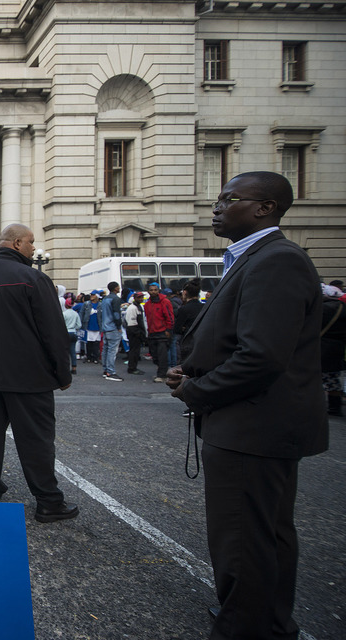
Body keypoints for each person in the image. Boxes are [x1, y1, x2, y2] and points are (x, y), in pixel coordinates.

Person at [166, 171, 328, 640]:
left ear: (265, 208)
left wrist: (196, 390)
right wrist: (194, 369)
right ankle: (270, 622)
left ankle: (245, 627)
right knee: (266, 534)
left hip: (253, 427)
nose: (216, 207)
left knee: (243, 539)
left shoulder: (276, 260)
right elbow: (239, 340)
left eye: (228, 199)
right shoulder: (255, 258)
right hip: (256, 423)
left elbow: (261, 356)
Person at [0, 223, 78, 521]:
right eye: (32, 242)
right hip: (29, 377)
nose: (35, 248)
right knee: (36, 440)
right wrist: (63, 374)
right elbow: (53, 332)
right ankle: (48, 500)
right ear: (18, 242)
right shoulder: (34, 278)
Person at [320, 283, 346, 416]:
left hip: (321, 346)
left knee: (315, 377)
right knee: (333, 379)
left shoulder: (323, 309)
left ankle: (319, 405)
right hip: (337, 348)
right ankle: (335, 407)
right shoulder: (343, 309)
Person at [143, 282, 174, 382]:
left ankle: (162, 375)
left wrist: (168, 330)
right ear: (148, 291)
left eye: (155, 290)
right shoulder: (147, 304)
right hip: (152, 332)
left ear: (158, 290)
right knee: (154, 355)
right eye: (151, 290)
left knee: (162, 355)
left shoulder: (165, 302)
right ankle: (162, 371)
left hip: (162, 332)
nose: (153, 292)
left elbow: (169, 317)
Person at [97, 281, 124, 381]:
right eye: (118, 287)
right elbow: (117, 314)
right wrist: (119, 326)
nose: (119, 288)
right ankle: (111, 371)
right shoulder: (116, 299)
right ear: (115, 288)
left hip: (105, 327)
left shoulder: (104, 299)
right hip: (113, 327)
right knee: (112, 351)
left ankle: (106, 370)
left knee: (106, 349)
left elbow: (99, 314)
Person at [173, 279, 204, 363]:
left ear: (185, 293)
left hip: (188, 343)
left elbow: (177, 329)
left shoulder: (184, 309)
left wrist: (184, 328)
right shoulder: (204, 307)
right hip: (203, 342)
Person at [123, 292, 147, 374]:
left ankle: (133, 367)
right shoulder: (133, 308)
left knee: (136, 351)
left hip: (136, 331)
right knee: (134, 351)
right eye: (139, 297)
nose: (141, 299)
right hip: (133, 332)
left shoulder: (139, 306)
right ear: (135, 298)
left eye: (142, 297)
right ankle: (132, 368)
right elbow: (131, 323)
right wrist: (138, 333)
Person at [62, 290, 82, 375]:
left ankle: (65, 368)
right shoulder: (75, 314)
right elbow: (79, 325)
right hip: (73, 332)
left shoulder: (64, 313)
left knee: (64, 351)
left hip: (66, 332)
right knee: (72, 351)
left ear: (66, 305)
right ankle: (74, 368)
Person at [80, 290, 102, 363]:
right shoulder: (86, 304)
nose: (91, 296)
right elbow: (81, 313)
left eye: (93, 295)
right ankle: (89, 356)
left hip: (97, 326)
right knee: (88, 342)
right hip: (88, 325)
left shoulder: (101, 305)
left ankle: (95, 357)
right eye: (91, 295)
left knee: (96, 343)